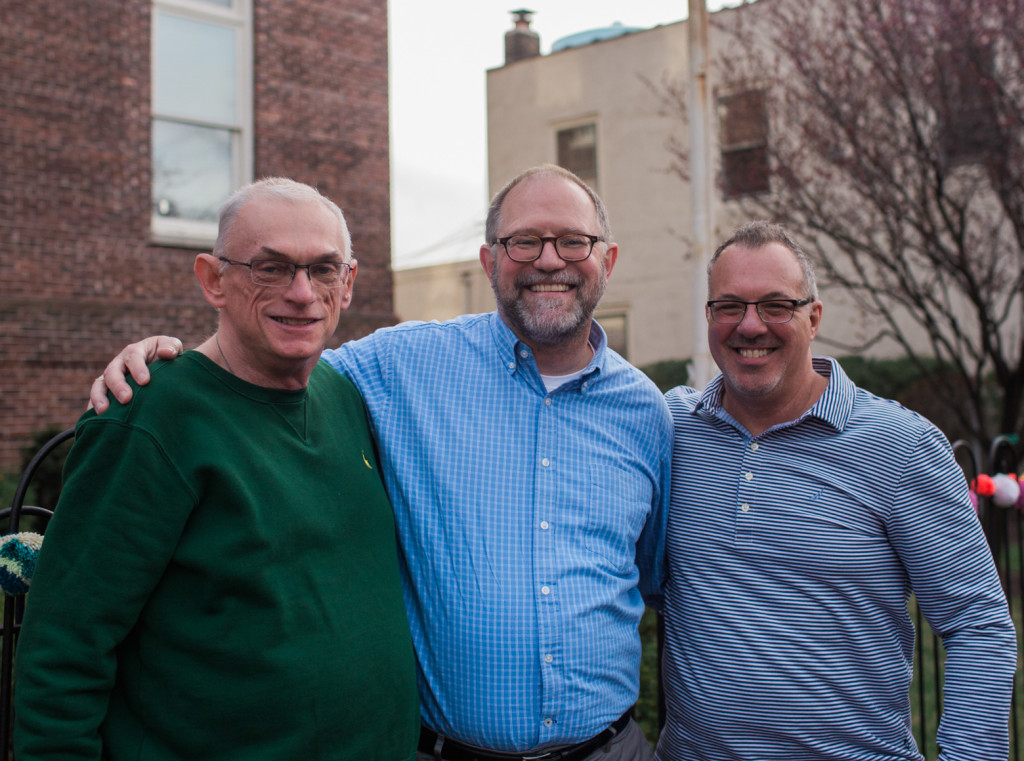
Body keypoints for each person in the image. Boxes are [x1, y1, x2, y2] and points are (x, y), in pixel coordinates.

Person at [90, 165, 673, 761]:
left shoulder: (647, 414)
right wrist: (172, 364)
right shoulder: (400, 367)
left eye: (574, 240)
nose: (550, 260)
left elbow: (650, 576)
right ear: (489, 260)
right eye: (524, 241)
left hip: (611, 749)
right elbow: (272, 360)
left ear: (608, 259)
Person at [15, 178, 420, 761]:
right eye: (271, 268)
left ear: (349, 283)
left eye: (323, 270)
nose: (302, 293)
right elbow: (64, 650)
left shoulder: (345, 394)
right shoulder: (148, 420)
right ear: (213, 280)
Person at [657, 221, 1017, 760]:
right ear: (709, 316)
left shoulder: (901, 446)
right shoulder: (672, 429)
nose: (749, 325)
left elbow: (978, 625)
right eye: (728, 306)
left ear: (814, 317)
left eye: (776, 305)